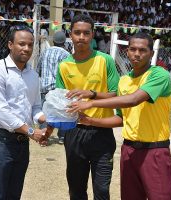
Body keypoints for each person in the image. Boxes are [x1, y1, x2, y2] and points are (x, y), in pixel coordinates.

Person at [68, 32, 171, 200]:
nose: (137, 54)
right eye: (132, 49)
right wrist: (89, 120)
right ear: (127, 52)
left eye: (142, 50)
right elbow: (121, 119)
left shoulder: (158, 74)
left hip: (154, 151)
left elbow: (133, 100)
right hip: (129, 150)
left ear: (151, 53)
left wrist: (91, 102)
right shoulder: (124, 81)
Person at [55, 14, 120, 200]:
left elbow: (115, 94)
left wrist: (91, 94)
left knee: (101, 191)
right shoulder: (64, 66)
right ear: (70, 35)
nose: (81, 37)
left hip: (102, 132)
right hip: (74, 133)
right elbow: (61, 99)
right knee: (76, 191)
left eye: (86, 33)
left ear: (92, 35)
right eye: (77, 33)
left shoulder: (105, 60)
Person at [0, 24, 51, 200]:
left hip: (22, 143)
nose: (26, 48)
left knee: (14, 195)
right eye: (21, 44)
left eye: (30, 45)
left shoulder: (33, 75)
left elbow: (35, 107)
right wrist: (31, 131)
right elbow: (0, 112)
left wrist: (48, 120)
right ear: (10, 44)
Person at [36, 31, 70, 144]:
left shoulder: (45, 52)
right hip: (58, 89)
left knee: (44, 112)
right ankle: (62, 137)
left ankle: (43, 136)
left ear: (53, 41)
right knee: (61, 112)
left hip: (44, 87)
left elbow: (38, 70)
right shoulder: (66, 55)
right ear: (64, 42)